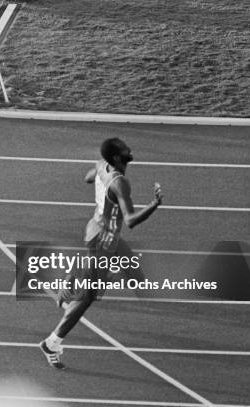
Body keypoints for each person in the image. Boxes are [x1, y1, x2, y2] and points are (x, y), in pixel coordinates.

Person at [39, 137, 163, 368]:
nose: (130, 149)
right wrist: (154, 205)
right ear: (116, 157)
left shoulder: (101, 165)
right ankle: (52, 342)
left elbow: (89, 177)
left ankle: (73, 281)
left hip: (101, 230)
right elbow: (131, 220)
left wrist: (100, 182)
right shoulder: (120, 183)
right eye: (126, 149)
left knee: (135, 276)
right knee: (89, 296)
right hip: (103, 240)